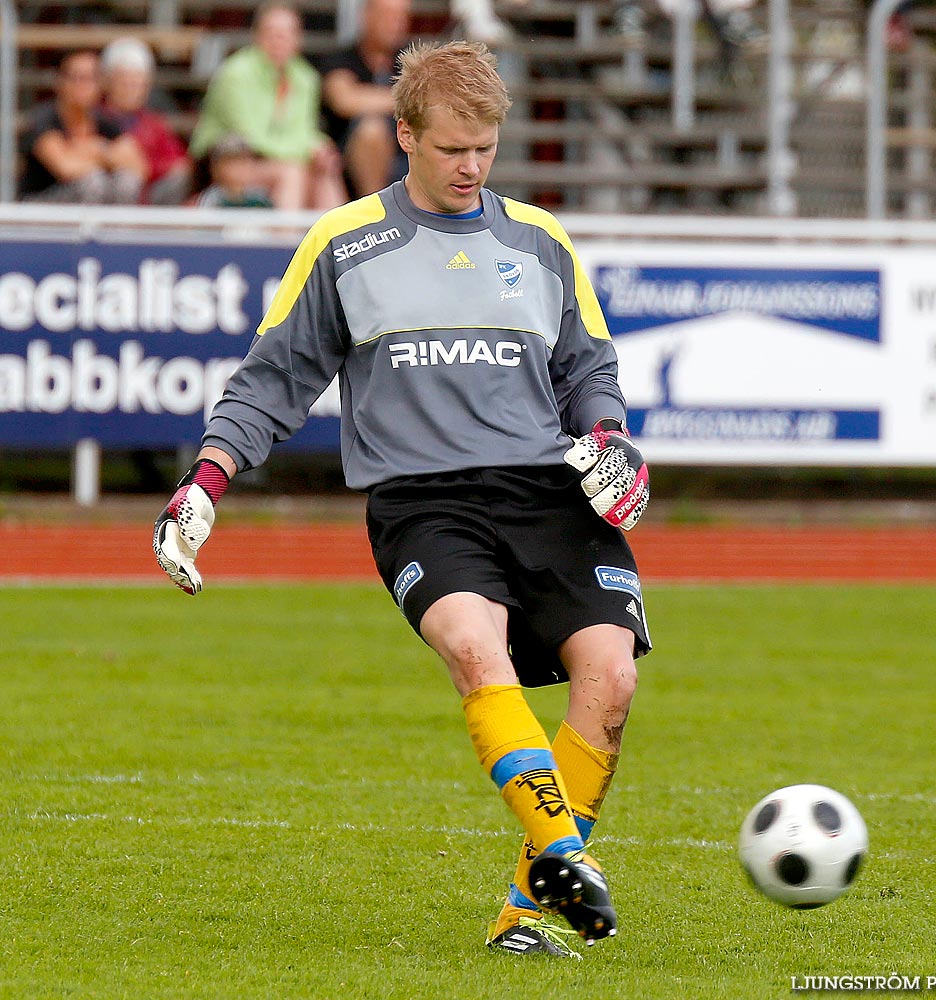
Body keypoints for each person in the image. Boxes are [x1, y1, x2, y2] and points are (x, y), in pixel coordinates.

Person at [152, 39, 651, 958]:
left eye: (487, 148)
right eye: (455, 146)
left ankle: (523, 910)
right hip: (425, 501)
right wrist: (206, 483)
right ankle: (562, 852)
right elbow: (270, 382)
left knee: (611, 678)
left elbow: (590, 369)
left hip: (550, 494)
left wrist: (614, 439)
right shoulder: (344, 245)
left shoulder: (539, 241)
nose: (472, 167)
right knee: (473, 645)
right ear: (405, 133)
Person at [188, 1, 346, 210]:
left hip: (276, 161)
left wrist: (320, 149)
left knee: (325, 172)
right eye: (272, 32)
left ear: (298, 38)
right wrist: (307, 150)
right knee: (292, 172)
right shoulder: (235, 74)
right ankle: (285, 241)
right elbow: (250, 136)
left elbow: (304, 130)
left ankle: (338, 240)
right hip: (225, 160)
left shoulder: (306, 78)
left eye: (287, 33)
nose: (279, 40)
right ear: (257, 36)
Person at [19, 49, 146, 204]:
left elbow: (139, 167)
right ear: (60, 82)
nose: (83, 86)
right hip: (39, 207)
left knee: (127, 181)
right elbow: (65, 167)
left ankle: (119, 228)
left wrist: (97, 149)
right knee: (93, 181)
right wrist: (108, 157)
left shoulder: (103, 121)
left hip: (90, 199)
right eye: (76, 78)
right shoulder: (44, 119)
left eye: (90, 78)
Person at [317, 0, 411, 198]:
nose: (396, 23)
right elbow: (344, 100)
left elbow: (431, 100)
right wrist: (405, 98)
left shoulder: (411, 62)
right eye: (388, 15)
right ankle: (374, 214)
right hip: (346, 166)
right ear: (366, 16)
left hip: (408, 156)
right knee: (372, 130)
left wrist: (365, 96)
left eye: (401, 16)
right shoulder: (342, 59)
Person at [100, 37, 193, 205]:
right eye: (125, 82)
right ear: (107, 81)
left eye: (138, 83)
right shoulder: (96, 117)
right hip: (110, 196)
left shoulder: (152, 123)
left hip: (149, 195)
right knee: (126, 180)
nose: (131, 90)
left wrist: (149, 167)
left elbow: (178, 161)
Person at [195, 134, 275, 208]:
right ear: (217, 169)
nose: (239, 169)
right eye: (232, 163)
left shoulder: (260, 198)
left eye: (243, 162)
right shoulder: (212, 199)